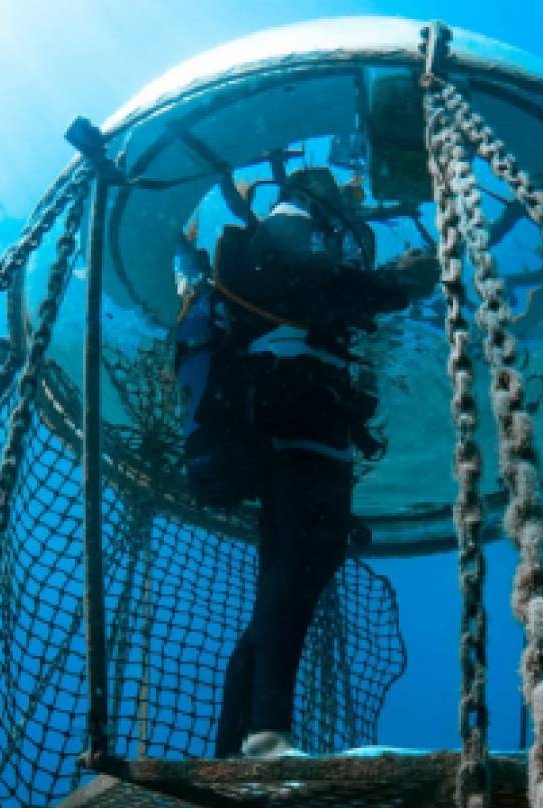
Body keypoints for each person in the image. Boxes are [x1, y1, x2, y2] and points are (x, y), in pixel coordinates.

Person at [179, 166, 438, 758]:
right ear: (314, 195)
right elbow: (300, 290)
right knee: (298, 569)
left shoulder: (293, 232)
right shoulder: (291, 224)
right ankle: (266, 733)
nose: (349, 206)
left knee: (293, 574)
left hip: (294, 412)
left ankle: (239, 740)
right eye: (339, 196)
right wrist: (394, 285)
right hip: (299, 410)